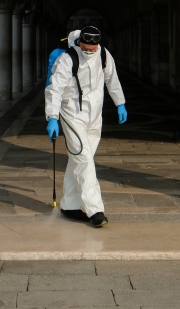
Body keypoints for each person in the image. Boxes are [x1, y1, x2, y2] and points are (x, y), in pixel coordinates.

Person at [45, 26, 128, 228]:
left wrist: (120, 103)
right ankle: (95, 209)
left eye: (94, 47)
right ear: (80, 42)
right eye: (87, 47)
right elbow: (54, 89)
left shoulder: (104, 55)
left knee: (81, 159)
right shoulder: (67, 59)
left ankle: (70, 204)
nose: (90, 51)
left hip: (95, 116)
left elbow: (112, 79)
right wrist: (53, 117)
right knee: (84, 160)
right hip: (72, 114)